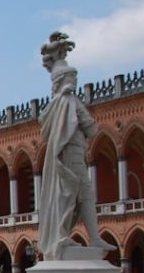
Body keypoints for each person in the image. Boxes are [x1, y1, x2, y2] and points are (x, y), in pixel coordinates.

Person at [36, 32, 114, 260]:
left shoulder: (63, 104)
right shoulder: (65, 103)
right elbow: (91, 129)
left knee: (81, 195)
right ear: (63, 81)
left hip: (74, 155)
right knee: (71, 195)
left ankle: (90, 236)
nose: (75, 83)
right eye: (72, 79)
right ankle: (66, 234)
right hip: (69, 155)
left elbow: (87, 129)